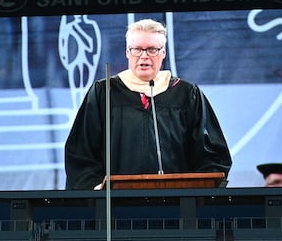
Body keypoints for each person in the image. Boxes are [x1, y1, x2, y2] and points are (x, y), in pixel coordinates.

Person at [63, 18, 232, 189]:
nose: (144, 56)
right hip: (115, 207)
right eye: (137, 49)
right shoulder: (104, 92)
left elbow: (212, 155)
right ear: (127, 52)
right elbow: (80, 153)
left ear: (163, 52)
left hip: (178, 205)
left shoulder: (186, 94)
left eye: (152, 49)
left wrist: (197, 191)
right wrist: (97, 188)